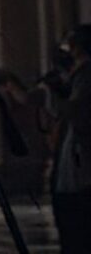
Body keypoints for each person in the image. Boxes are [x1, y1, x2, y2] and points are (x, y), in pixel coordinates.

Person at [43, 24, 91, 253]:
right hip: (72, 168)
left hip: (81, 171)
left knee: (77, 234)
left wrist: (59, 93)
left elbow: (77, 113)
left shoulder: (85, 76)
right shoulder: (77, 76)